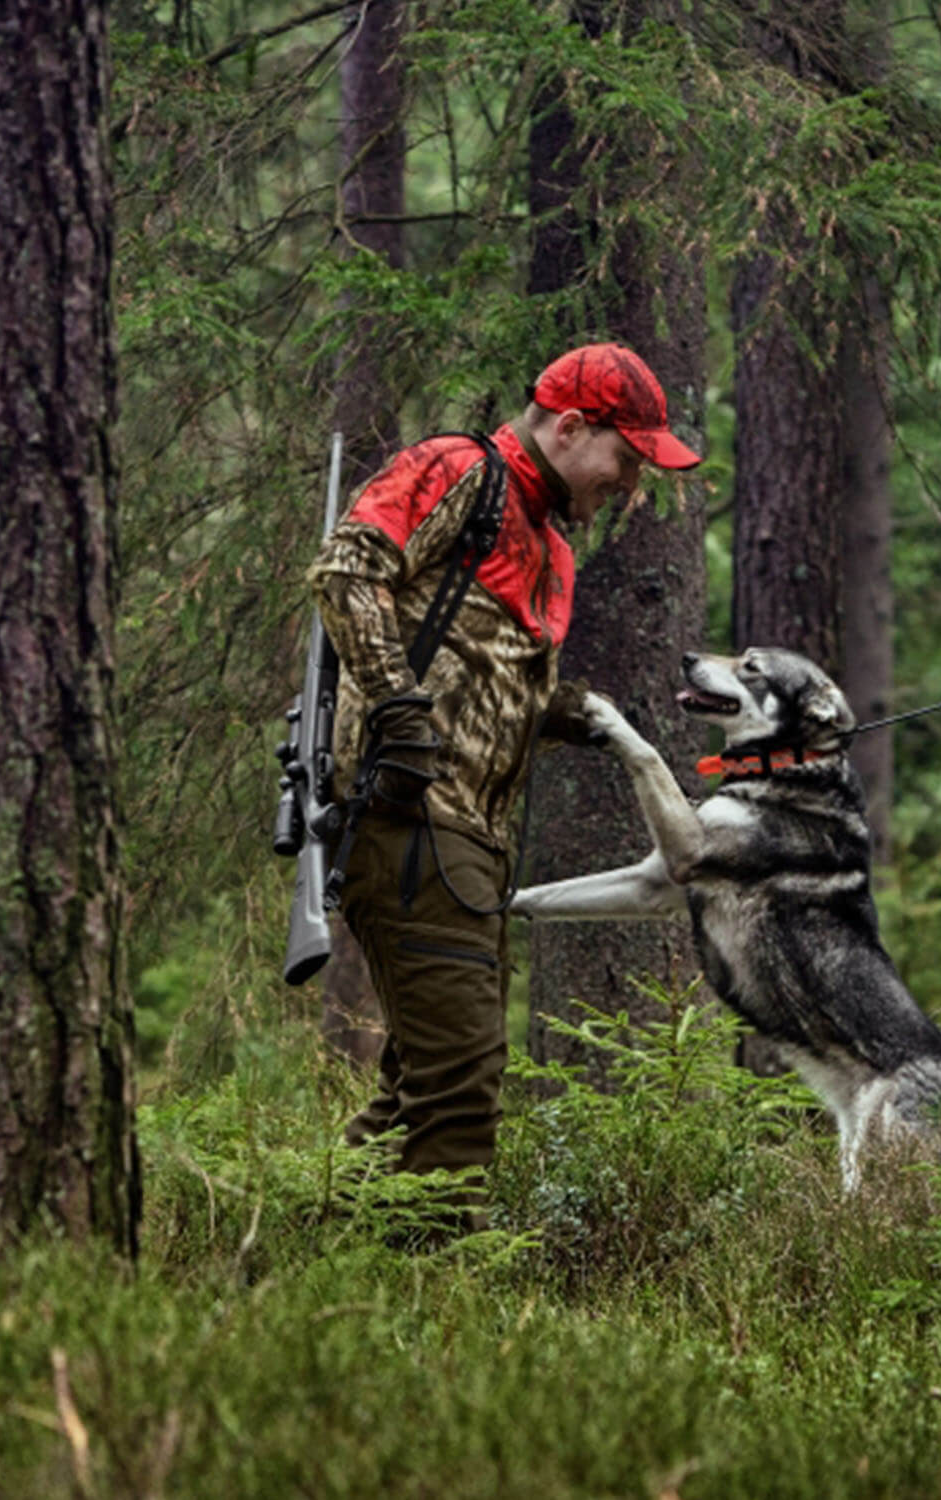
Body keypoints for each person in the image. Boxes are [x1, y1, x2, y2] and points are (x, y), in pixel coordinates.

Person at [307, 343, 701, 1230]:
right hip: (410, 818)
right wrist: (401, 713)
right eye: (626, 457)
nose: (631, 483)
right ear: (570, 425)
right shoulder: (458, 471)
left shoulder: (544, 539)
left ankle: (314, 1263)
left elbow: (479, 666)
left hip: (468, 839)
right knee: (462, 1086)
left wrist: (565, 711)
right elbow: (347, 573)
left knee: (424, 1083)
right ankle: (438, 1304)